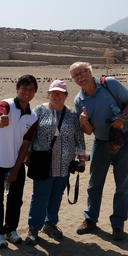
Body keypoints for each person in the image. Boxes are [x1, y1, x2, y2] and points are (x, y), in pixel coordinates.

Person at [69, 61, 128, 240]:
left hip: (124, 139)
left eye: (82, 72)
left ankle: (118, 224)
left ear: (90, 71)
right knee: (94, 184)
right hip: (100, 143)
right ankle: (90, 219)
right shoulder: (79, 100)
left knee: (122, 185)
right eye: (75, 75)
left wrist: (123, 117)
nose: (80, 77)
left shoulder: (110, 84)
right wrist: (83, 122)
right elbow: (89, 131)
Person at [25, 80, 86, 245]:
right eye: (54, 93)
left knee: (56, 196)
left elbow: (79, 137)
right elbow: (29, 134)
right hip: (42, 163)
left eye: (60, 93)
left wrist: (81, 158)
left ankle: (50, 223)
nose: (57, 96)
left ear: (66, 95)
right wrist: (26, 155)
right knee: (39, 196)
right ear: (48, 94)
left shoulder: (72, 114)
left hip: (64, 164)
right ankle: (34, 228)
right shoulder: (38, 110)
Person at [0, 74, 38, 248]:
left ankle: (10, 230)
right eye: (24, 88)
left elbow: (26, 143)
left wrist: (16, 169)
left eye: (31, 90)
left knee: (16, 199)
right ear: (17, 89)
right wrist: (1, 120)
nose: (27, 92)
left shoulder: (32, 116)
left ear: (35, 93)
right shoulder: (5, 105)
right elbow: (0, 117)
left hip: (16, 162)